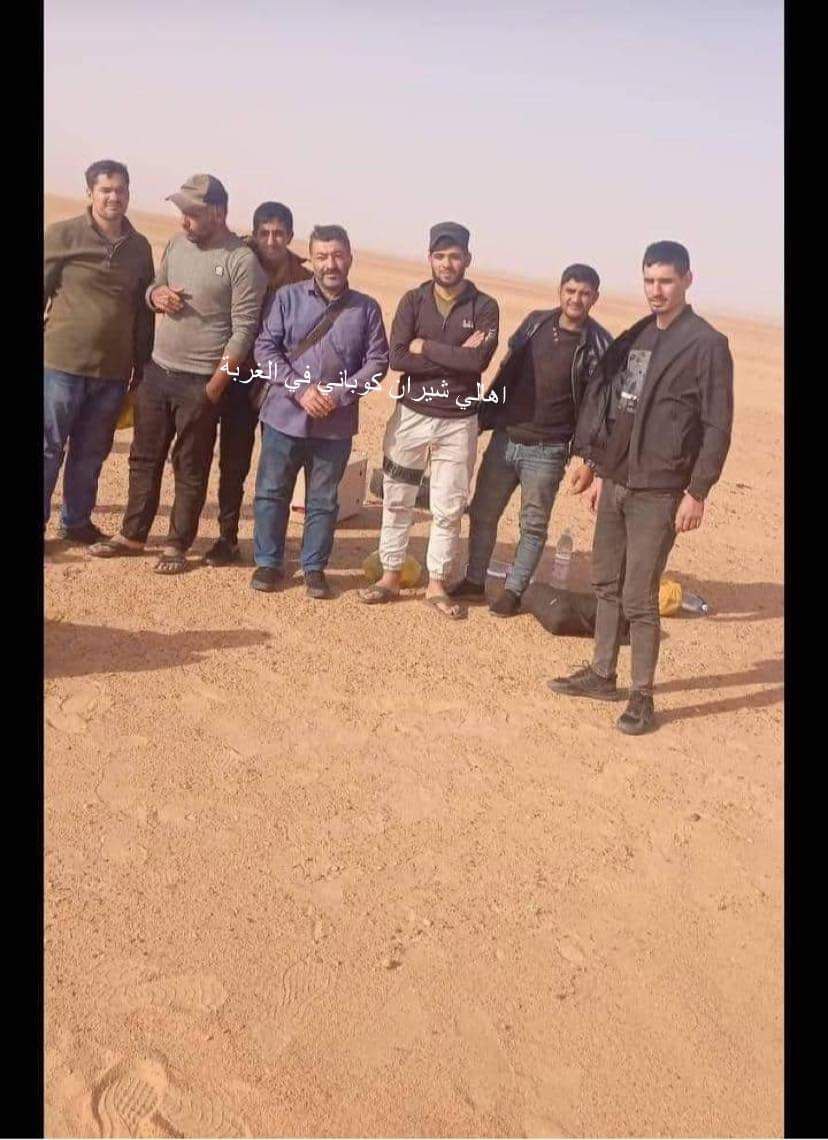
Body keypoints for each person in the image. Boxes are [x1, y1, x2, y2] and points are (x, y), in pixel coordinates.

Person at [548, 241, 734, 735]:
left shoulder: (707, 344)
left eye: (666, 281)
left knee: (639, 596)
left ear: (687, 280)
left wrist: (698, 491)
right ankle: (602, 674)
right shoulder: (641, 336)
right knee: (605, 583)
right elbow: (623, 407)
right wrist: (601, 470)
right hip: (619, 481)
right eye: (649, 280)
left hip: (661, 489)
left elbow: (717, 426)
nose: (656, 290)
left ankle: (642, 695)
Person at [89, 174, 266, 573]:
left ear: (218, 213)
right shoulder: (176, 244)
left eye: (192, 213)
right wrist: (156, 297)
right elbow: (155, 285)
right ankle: (133, 535)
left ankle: (176, 545)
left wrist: (215, 387)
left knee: (190, 465)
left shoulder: (241, 261)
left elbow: (243, 332)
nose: (184, 220)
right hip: (158, 372)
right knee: (143, 458)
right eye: (181, 212)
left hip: (200, 382)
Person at [449, 264, 612, 616]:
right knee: (482, 512)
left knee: (533, 526)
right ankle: (474, 581)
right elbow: (507, 371)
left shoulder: (600, 346)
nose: (576, 299)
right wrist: (483, 417)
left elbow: (599, 408)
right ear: (560, 290)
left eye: (584, 293)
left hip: (548, 450)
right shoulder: (535, 323)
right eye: (570, 291)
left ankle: (513, 591)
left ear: (595, 298)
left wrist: (590, 460)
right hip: (506, 438)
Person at [359, 222, 499, 618]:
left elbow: (477, 361)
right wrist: (453, 354)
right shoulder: (413, 301)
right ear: (430, 258)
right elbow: (398, 357)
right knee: (397, 497)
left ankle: (437, 583)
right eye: (440, 256)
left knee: (449, 506)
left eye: (454, 256)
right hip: (412, 416)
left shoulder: (485, 307)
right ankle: (390, 575)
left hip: (458, 421)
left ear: (467, 259)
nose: (447, 263)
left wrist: (427, 347)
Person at [251, 224, 389, 599]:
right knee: (271, 492)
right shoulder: (287, 298)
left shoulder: (366, 309)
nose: (331, 264)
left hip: (335, 424)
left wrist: (338, 394)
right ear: (311, 259)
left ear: (350, 258)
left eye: (338, 255)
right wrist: (300, 389)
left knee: (324, 500)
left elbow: (377, 362)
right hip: (284, 416)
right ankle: (268, 562)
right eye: (322, 256)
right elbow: (265, 349)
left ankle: (314, 567)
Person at [44, 159, 155, 544]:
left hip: (112, 371)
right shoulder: (63, 235)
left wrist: (141, 365)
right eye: (105, 190)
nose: (113, 197)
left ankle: (76, 522)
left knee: (91, 452)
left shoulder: (139, 247)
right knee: (48, 447)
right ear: (89, 192)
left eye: (120, 190)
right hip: (60, 364)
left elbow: (143, 312)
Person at [203, 201, 312, 567]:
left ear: (290, 236)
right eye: (264, 233)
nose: (271, 240)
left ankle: (271, 546)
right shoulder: (237, 260)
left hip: (279, 383)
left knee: (278, 467)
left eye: (279, 233)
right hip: (237, 376)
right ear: (253, 233)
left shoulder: (303, 279)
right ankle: (227, 538)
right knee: (233, 462)